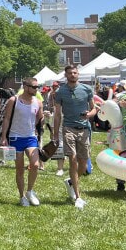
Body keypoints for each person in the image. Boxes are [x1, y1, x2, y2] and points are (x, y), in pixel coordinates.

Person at [52, 65, 96, 209]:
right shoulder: (60, 92)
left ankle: (72, 181)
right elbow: (58, 113)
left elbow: (94, 108)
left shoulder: (86, 89)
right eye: (70, 73)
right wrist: (55, 133)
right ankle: (78, 197)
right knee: (72, 158)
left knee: (83, 164)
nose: (72, 75)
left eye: (75, 72)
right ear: (66, 75)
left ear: (78, 74)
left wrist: (89, 115)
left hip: (84, 129)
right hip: (68, 128)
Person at [0, 78, 44, 207]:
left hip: (30, 137)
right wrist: (3, 137)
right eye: (34, 87)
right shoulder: (14, 101)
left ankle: (30, 191)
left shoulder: (38, 102)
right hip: (15, 137)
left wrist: (40, 123)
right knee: (19, 170)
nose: (37, 89)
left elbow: (39, 118)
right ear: (25, 86)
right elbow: (7, 119)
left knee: (35, 165)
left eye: (38, 87)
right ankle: (22, 196)